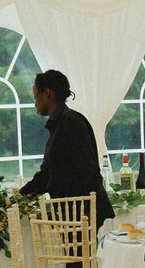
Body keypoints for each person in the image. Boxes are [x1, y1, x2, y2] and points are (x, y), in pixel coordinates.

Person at [19, 69, 113, 224]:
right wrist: (20, 194)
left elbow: (89, 170)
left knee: (81, 250)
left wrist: (88, 212)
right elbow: (47, 174)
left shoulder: (71, 122)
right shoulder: (59, 124)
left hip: (82, 212)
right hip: (72, 211)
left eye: (36, 96)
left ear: (47, 93)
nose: (35, 103)